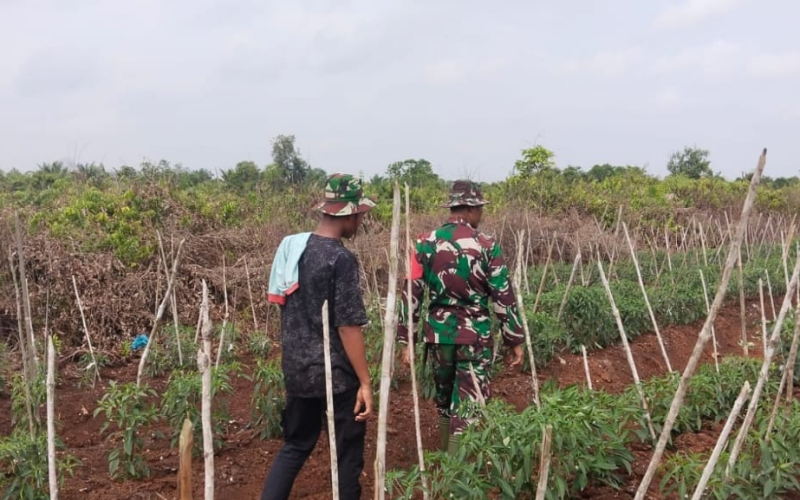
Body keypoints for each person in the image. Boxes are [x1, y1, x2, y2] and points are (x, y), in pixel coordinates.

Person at [260, 173, 375, 500]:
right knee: (347, 457)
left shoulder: (294, 250)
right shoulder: (340, 258)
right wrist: (365, 382)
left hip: (297, 369)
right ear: (349, 215)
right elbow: (347, 326)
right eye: (361, 217)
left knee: (295, 445)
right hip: (336, 375)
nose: (361, 223)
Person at [397, 179, 525, 455]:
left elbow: (411, 293)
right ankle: (458, 474)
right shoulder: (487, 245)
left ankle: (447, 456)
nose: (482, 215)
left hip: (438, 335)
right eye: (480, 209)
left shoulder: (424, 244)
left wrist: (407, 340)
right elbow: (503, 296)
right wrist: (514, 339)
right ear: (470, 208)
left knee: (444, 399)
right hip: (474, 337)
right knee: (468, 405)